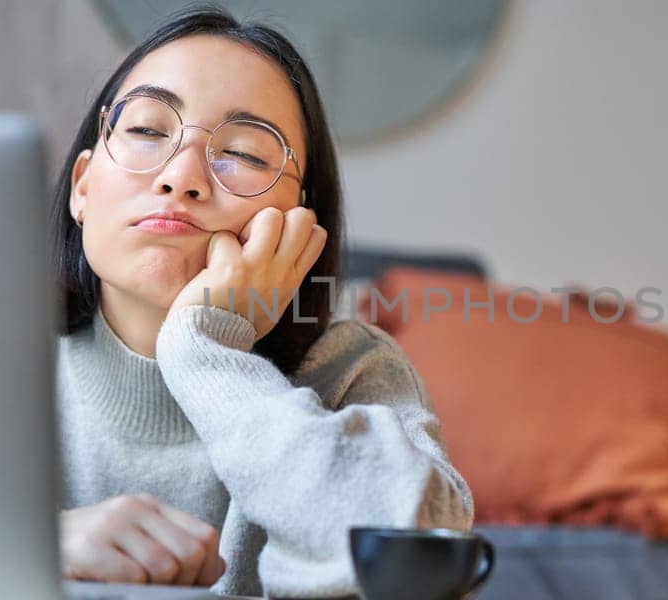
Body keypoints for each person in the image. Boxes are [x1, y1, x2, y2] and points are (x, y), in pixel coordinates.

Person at [48, 7, 474, 598]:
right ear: (83, 187)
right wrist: (37, 544)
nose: (181, 176)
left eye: (245, 154)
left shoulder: (354, 372)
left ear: (302, 222)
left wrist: (205, 347)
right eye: (147, 130)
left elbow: (419, 571)